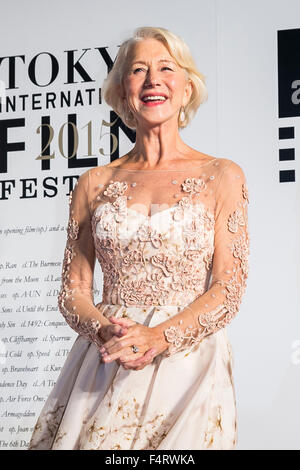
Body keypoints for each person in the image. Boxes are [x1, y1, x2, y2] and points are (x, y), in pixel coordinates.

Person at [28, 26, 250, 450]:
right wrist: (104, 331)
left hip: (189, 364)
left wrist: (158, 337)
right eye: (138, 70)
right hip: (106, 358)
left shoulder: (223, 175)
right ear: (122, 89)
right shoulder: (93, 182)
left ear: (187, 88)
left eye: (166, 68)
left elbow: (229, 288)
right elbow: (72, 289)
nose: (153, 79)